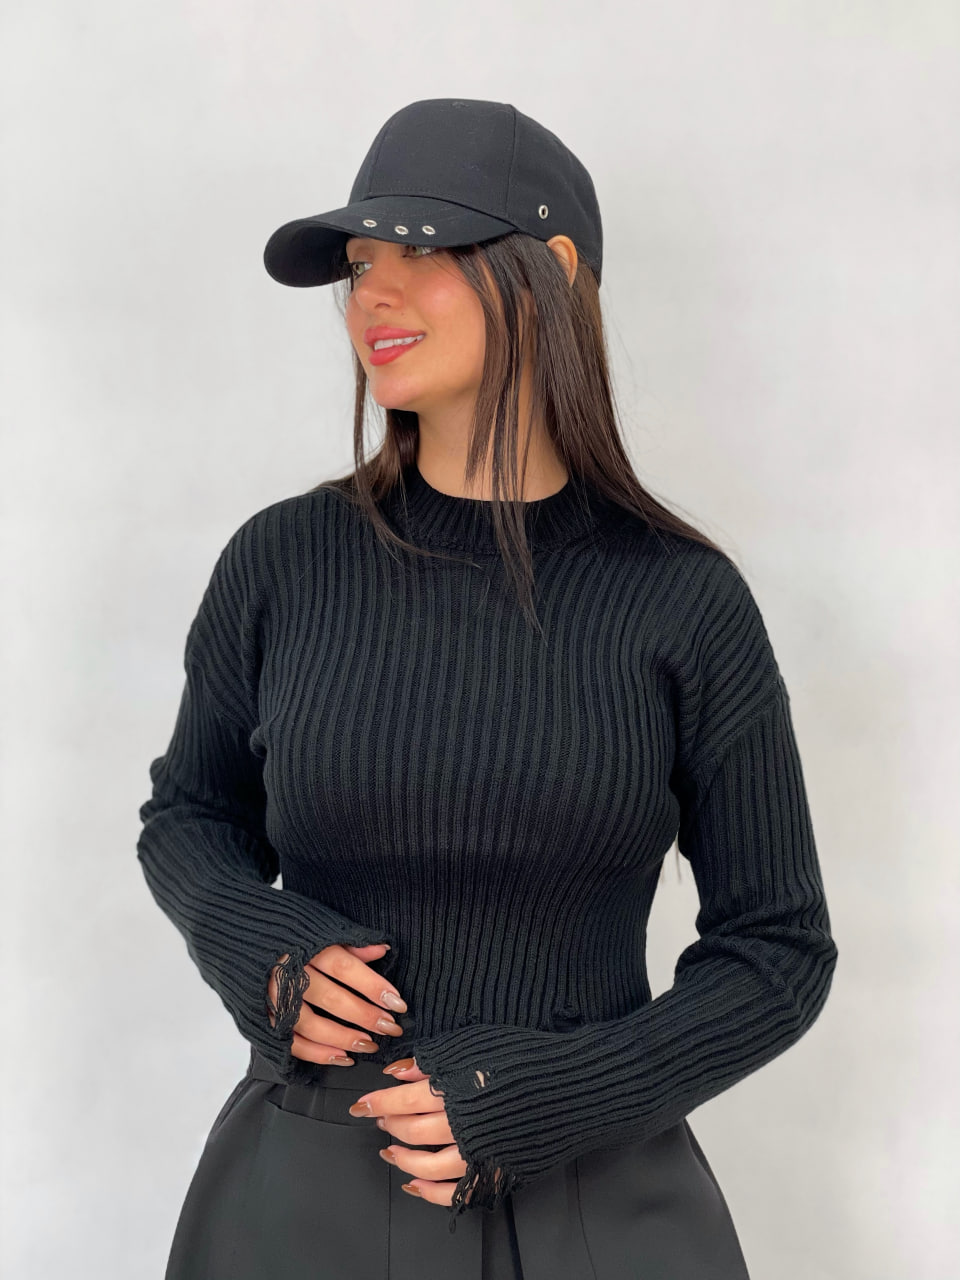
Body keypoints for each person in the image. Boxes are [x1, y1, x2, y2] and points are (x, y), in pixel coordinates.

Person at [137, 97, 838, 1280]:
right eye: (360, 264)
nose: (372, 294)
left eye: (420, 250)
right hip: (303, 1199)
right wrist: (254, 939)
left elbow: (779, 947)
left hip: (601, 1204)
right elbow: (190, 813)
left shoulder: (683, 598)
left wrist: (566, 1091)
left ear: (552, 270)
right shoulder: (282, 562)